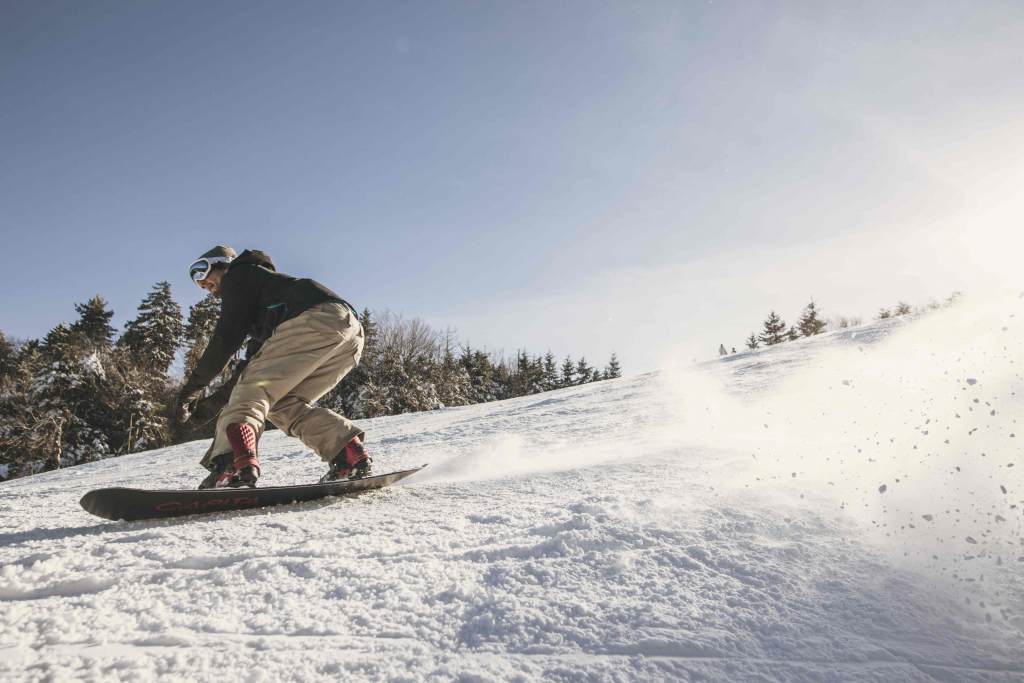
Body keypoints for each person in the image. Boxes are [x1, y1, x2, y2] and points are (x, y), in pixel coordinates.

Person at [174, 246, 371, 489]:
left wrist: (191, 389)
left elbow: (225, 339)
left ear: (223, 265)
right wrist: (213, 403)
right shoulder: (265, 302)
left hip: (314, 320)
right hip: (348, 336)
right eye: (196, 281)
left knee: (251, 392)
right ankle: (347, 453)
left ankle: (232, 466)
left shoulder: (240, 274)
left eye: (201, 271)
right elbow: (250, 366)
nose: (201, 283)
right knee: (280, 403)